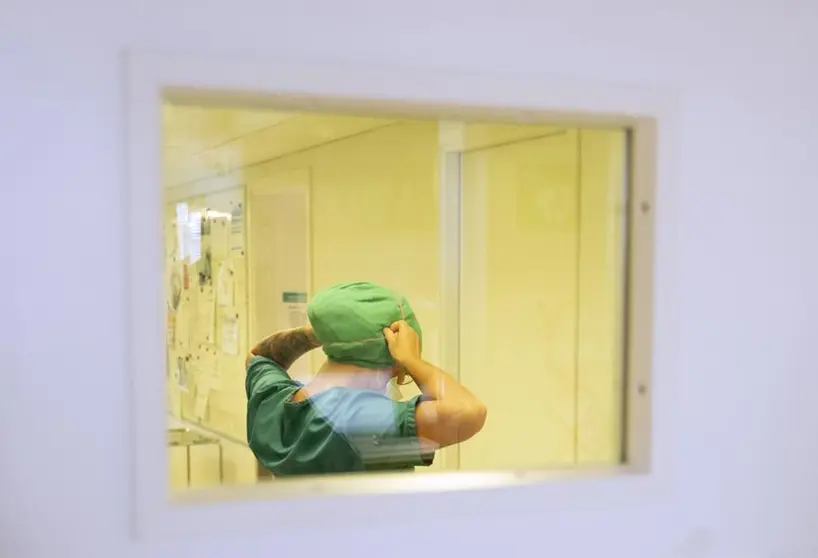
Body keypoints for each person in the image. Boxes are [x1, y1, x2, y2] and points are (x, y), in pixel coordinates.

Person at [245, 281, 487, 476]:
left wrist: (323, 332)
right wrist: (413, 361)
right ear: (393, 357)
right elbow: (468, 411)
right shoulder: (363, 420)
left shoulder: (272, 402)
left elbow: (259, 356)